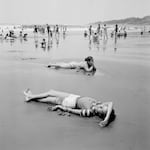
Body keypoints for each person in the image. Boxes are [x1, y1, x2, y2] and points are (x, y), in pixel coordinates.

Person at [23, 89, 116, 127]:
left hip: (69, 102)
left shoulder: (90, 111)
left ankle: (30, 96)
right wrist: (107, 118)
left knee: (49, 98)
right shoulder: (98, 103)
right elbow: (110, 103)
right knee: (50, 94)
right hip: (74, 97)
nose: (101, 106)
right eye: (103, 106)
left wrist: (61, 107)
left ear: (100, 114)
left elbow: (74, 111)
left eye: (101, 109)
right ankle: (30, 97)